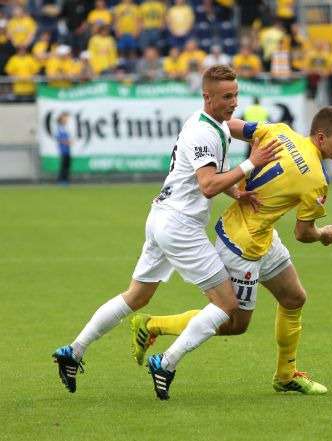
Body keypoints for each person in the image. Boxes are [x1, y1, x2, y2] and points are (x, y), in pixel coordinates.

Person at [51, 65, 282, 400]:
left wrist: (237, 193)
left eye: (235, 95)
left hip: (161, 216)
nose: (234, 102)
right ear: (207, 96)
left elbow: (209, 176)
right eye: (226, 97)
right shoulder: (202, 132)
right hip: (180, 226)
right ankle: (167, 362)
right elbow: (207, 185)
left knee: (136, 296)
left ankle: (74, 350)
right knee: (227, 304)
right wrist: (251, 163)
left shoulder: (212, 123)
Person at [129, 106, 332, 395]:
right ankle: (152, 325)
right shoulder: (317, 180)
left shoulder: (281, 131)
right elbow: (303, 233)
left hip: (260, 234)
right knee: (234, 323)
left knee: (294, 297)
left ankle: (286, 376)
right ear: (321, 138)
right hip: (242, 246)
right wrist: (323, 235)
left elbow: (230, 126)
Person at [55, 112, 72, 184]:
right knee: (63, 165)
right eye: (64, 119)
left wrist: (69, 142)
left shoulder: (65, 128)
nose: (66, 120)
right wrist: (66, 142)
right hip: (63, 150)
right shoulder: (59, 128)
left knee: (67, 165)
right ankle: (61, 180)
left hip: (67, 149)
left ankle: (65, 180)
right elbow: (59, 139)